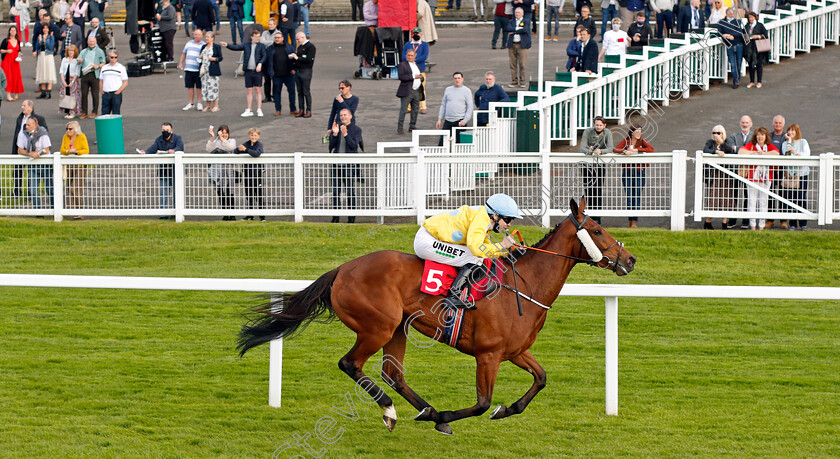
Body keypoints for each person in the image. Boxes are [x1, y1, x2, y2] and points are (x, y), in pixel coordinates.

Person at [413, 193, 521, 309]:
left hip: (429, 238)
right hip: (426, 242)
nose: (509, 224)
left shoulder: (484, 218)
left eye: (511, 220)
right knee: (475, 257)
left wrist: (507, 251)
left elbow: (485, 249)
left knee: (479, 257)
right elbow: (476, 249)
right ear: (495, 216)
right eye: (507, 219)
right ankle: (454, 296)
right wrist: (501, 245)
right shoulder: (481, 219)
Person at [138, 122, 184, 219]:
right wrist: (145, 152)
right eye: (163, 130)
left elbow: (180, 147)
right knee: (164, 192)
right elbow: (153, 148)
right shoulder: (159, 139)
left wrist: (174, 150)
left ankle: (176, 212)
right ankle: (164, 213)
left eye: (167, 130)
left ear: (171, 131)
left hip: (176, 171)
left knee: (177, 192)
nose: (164, 132)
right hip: (164, 171)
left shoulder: (177, 138)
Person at [738, 126, 779, 230]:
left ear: (766, 137)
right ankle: (752, 225)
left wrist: (764, 154)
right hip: (752, 178)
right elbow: (740, 151)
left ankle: (761, 225)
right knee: (752, 201)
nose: (760, 137)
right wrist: (753, 153)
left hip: (765, 178)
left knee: (763, 201)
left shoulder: (769, 146)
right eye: (758, 135)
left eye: (762, 135)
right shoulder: (751, 146)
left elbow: (776, 153)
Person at [613, 124, 653, 227]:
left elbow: (651, 149)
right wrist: (625, 151)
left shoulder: (643, 142)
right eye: (637, 132)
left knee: (637, 195)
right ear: (632, 132)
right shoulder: (626, 141)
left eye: (640, 132)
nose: (639, 134)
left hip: (640, 171)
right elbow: (616, 149)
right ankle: (630, 220)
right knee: (629, 196)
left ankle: (634, 221)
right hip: (628, 171)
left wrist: (638, 150)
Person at [329, 108, 363, 223]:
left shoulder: (356, 130)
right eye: (341, 115)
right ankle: (335, 217)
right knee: (335, 191)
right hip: (336, 164)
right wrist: (335, 133)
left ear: (350, 116)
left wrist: (345, 134)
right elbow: (331, 146)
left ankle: (351, 217)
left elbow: (354, 145)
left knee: (349, 191)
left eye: (345, 115)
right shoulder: (338, 128)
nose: (342, 117)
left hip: (349, 165)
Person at [222, 30, 267, 117]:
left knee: (258, 89)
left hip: (257, 71)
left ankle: (259, 109)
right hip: (248, 71)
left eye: (259, 36)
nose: (258, 38)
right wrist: (227, 45)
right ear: (252, 37)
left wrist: (260, 63)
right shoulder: (246, 45)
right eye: (256, 36)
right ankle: (249, 109)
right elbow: (236, 47)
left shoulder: (261, 46)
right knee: (249, 90)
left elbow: (264, 56)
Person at [579, 116, 613, 224]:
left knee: (598, 190)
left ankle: (597, 218)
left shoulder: (607, 133)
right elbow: (582, 147)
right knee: (588, 190)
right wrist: (589, 151)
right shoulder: (587, 132)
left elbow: (611, 147)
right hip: (587, 165)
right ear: (594, 125)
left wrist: (601, 151)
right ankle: (589, 217)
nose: (598, 127)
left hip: (599, 165)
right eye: (596, 124)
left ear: (604, 125)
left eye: (600, 125)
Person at [701, 124, 735, 229]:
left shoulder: (727, 142)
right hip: (714, 174)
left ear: (723, 133)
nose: (716, 135)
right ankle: (708, 221)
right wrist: (715, 151)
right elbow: (705, 150)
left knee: (726, 197)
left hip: (725, 173)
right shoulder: (710, 142)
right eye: (714, 133)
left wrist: (721, 143)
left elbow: (731, 150)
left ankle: (724, 222)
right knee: (713, 196)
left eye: (718, 133)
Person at [18, 116, 53, 209]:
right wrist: (30, 154)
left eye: (29, 125)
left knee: (50, 190)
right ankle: (38, 211)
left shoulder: (43, 134)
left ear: (35, 125)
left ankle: (54, 208)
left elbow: (46, 149)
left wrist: (38, 153)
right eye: (26, 125)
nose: (26, 127)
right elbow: (20, 150)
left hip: (46, 166)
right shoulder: (23, 134)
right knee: (33, 190)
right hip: (33, 166)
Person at [780, 123, 810, 230]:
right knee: (791, 199)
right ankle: (792, 223)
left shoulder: (803, 142)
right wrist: (789, 141)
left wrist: (796, 153)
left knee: (801, 198)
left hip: (801, 175)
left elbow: (807, 155)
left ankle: (803, 223)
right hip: (790, 175)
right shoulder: (784, 144)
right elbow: (786, 154)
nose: (791, 132)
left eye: (793, 130)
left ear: (797, 131)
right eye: (789, 130)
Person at [206, 124, 237, 220]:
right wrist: (212, 137)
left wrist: (222, 139)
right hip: (217, 171)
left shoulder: (231, 141)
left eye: (226, 133)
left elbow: (229, 148)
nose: (224, 135)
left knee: (229, 193)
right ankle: (225, 213)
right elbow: (209, 149)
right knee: (220, 193)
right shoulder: (216, 141)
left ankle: (232, 214)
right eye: (222, 133)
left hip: (228, 171)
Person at [728, 114, 753, 229]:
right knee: (734, 195)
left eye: (747, 122)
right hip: (735, 169)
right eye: (743, 122)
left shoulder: (754, 136)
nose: (745, 124)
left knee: (748, 196)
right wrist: (746, 151)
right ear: (740, 124)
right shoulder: (733, 136)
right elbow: (730, 148)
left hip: (749, 170)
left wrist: (738, 149)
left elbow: (753, 149)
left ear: (751, 124)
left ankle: (746, 220)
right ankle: (732, 219)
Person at [59, 120, 88, 218]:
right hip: (69, 165)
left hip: (79, 166)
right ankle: (72, 210)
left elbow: (86, 150)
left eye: (70, 129)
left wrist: (76, 152)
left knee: (75, 188)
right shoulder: (65, 137)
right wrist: (68, 151)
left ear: (75, 129)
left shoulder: (82, 136)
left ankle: (80, 211)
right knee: (69, 187)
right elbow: (62, 150)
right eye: (67, 129)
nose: (68, 131)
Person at [436, 71, 473, 146]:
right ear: (453, 79)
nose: (457, 80)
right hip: (448, 120)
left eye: (459, 78)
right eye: (455, 78)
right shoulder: (448, 89)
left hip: (460, 121)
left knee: (458, 144)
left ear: (462, 79)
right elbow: (443, 104)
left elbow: (470, 107)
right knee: (442, 143)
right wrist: (439, 119)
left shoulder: (466, 91)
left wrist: (465, 120)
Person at [236, 127, 265, 221]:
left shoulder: (259, 144)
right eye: (252, 135)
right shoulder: (247, 143)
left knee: (259, 195)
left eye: (255, 135)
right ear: (249, 135)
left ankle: (262, 216)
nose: (253, 137)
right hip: (247, 173)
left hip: (257, 174)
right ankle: (250, 215)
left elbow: (257, 153)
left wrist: (246, 150)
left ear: (259, 136)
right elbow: (236, 151)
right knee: (249, 195)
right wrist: (239, 149)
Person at [266, 31, 297, 116]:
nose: (277, 39)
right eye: (275, 38)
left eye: (278, 38)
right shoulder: (270, 49)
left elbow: (295, 58)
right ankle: (278, 110)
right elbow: (267, 61)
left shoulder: (289, 47)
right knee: (276, 93)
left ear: (283, 38)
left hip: (289, 74)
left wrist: (294, 69)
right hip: (276, 75)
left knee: (292, 92)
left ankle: (293, 109)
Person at [401, 27, 429, 113]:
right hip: (409, 69)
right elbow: (403, 56)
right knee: (408, 88)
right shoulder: (407, 44)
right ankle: (408, 107)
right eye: (415, 33)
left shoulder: (424, 44)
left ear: (421, 34)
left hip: (420, 69)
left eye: (418, 33)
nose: (416, 35)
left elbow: (424, 56)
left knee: (421, 88)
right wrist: (410, 60)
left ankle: (422, 107)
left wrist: (413, 60)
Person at [77, 35, 105, 118]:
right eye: (90, 41)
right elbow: (78, 61)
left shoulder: (100, 51)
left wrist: (98, 66)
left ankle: (95, 111)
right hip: (85, 74)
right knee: (84, 94)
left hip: (94, 74)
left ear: (95, 42)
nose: (91, 43)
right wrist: (80, 61)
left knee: (95, 94)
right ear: (87, 42)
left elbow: (104, 62)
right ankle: (84, 112)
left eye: (93, 42)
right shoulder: (84, 51)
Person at [765, 114, 785, 228]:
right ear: (773, 124)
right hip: (770, 170)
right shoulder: (769, 136)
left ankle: (783, 220)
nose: (777, 125)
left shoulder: (785, 137)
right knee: (770, 194)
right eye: (776, 123)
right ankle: (770, 219)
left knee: (782, 194)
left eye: (780, 123)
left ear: (783, 125)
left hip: (782, 170)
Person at [396, 49, 423, 135]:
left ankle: (412, 126)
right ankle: (400, 128)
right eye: (408, 55)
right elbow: (401, 77)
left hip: (416, 91)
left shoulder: (417, 65)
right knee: (403, 110)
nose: (410, 57)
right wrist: (414, 76)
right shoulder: (402, 65)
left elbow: (420, 77)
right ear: (406, 56)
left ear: (415, 56)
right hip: (407, 90)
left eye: (412, 55)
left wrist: (421, 78)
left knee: (415, 110)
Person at [718, 7, 746, 88]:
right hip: (729, 45)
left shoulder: (737, 21)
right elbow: (719, 32)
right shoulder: (722, 22)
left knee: (738, 63)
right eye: (730, 14)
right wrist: (725, 35)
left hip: (739, 44)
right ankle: (736, 81)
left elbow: (740, 32)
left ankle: (736, 79)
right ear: (726, 14)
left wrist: (732, 35)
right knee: (733, 64)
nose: (731, 15)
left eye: (732, 14)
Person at [179, 28, 205, 111]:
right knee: (189, 87)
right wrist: (180, 63)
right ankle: (191, 103)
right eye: (196, 34)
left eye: (199, 35)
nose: (197, 36)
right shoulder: (188, 43)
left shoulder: (203, 45)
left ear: (202, 36)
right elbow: (184, 54)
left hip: (198, 69)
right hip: (188, 68)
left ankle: (199, 103)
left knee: (199, 87)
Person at [291, 32, 315, 118]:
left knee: (306, 91)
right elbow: (298, 58)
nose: (297, 41)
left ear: (303, 37)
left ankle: (308, 110)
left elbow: (309, 60)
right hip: (298, 70)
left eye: (298, 39)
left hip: (306, 70)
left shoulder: (310, 47)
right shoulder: (300, 47)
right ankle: (301, 109)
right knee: (299, 91)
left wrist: (298, 58)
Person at [506, 7, 530, 89]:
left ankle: (522, 81)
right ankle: (514, 80)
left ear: (522, 14)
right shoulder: (511, 21)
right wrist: (518, 29)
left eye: (519, 12)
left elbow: (525, 30)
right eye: (516, 12)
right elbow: (508, 29)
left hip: (522, 45)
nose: (517, 14)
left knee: (522, 64)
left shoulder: (526, 21)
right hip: (512, 45)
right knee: (512, 64)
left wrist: (514, 30)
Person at [198, 30, 222, 112]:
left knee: (213, 88)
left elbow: (220, 58)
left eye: (208, 37)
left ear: (212, 38)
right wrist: (200, 56)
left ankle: (216, 105)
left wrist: (214, 59)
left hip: (213, 70)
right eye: (206, 37)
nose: (206, 38)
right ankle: (208, 105)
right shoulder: (204, 47)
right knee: (205, 88)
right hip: (205, 71)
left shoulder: (216, 47)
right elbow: (201, 55)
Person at [99, 50, 127, 115]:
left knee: (116, 113)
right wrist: (102, 91)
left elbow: (125, 82)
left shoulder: (121, 68)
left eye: (115, 57)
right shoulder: (104, 68)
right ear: (109, 57)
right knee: (104, 114)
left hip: (116, 94)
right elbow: (101, 81)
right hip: (106, 93)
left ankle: (116, 125)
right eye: (112, 57)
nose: (114, 59)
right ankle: (105, 125)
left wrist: (118, 91)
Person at [743, 12, 767, 88]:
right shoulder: (746, 26)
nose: (750, 19)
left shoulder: (760, 25)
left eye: (752, 17)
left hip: (758, 46)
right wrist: (746, 38)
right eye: (749, 18)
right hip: (750, 47)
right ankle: (752, 81)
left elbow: (765, 35)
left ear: (755, 18)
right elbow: (743, 35)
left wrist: (758, 36)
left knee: (759, 64)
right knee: (750, 65)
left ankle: (759, 81)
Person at [1, 26, 25, 101]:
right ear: (9, 31)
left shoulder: (18, 41)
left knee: (16, 77)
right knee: (8, 77)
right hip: (7, 61)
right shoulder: (6, 41)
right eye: (12, 30)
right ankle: (8, 94)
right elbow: (1, 50)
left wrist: (20, 54)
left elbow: (19, 50)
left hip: (15, 61)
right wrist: (6, 51)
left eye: (14, 30)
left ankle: (16, 93)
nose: (13, 32)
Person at [33, 23, 57, 99]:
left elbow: (51, 46)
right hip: (41, 55)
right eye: (44, 28)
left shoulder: (51, 37)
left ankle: (48, 92)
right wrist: (40, 42)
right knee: (42, 72)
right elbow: (37, 46)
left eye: (46, 28)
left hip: (48, 55)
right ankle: (43, 91)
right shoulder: (39, 36)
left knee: (49, 72)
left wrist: (44, 41)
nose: (45, 30)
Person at [260, 18, 281, 101]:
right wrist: (271, 42)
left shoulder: (278, 33)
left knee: (275, 79)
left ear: (275, 25)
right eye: (269, 24)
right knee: (266, 79)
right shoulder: (264, 32)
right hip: (266, 58)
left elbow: (276, 42)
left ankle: (275, 96)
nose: (270, 26)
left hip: (275, 58)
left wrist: (267, 41)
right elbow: (261, 42)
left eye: (272, 24)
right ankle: (267, 96)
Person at [58, 44, 81, 118]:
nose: (71, 52)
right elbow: (61, 70)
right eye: (69, 51)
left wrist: (73, 82)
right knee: (65, 95)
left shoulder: (76, 60)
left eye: (72, 51)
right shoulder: (65, 59)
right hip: (65, 78)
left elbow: (77, 72)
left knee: (73, 96)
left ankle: (73, 112)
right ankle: (67, 111)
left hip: (73, 79)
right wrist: (63, 81)